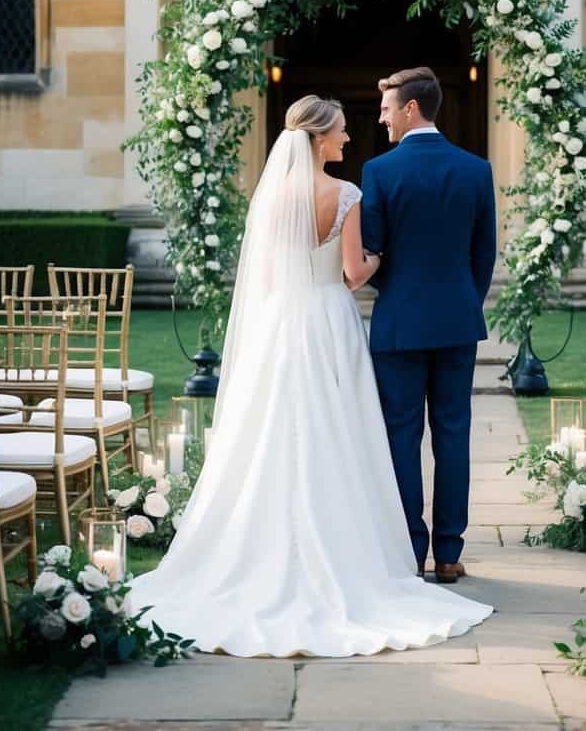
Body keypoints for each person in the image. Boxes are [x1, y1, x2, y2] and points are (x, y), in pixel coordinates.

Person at [127, 94, 492, 656]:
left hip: (278, 324)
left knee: (276, 431)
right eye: (343, 131)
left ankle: (272, 544)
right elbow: (351, 273)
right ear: (320, 138)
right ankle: (431, 550)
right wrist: (380, 258)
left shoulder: (271, 198)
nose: (351, 137)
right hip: (328, 320)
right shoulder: (346, 194)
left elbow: (268, 274)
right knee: (346, 433)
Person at [362, 67, 497, 583]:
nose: (382, 118)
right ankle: (449, 553)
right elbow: (484, 254)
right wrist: (463, 300)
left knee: (401, 436)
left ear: (410, 109)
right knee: (453, 435)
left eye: (386, 109)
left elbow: (372, 252)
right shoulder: (476, 170)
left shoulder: (378, 171)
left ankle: (410, 551)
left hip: (398, 324)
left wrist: (397, 293)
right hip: (457, 322)